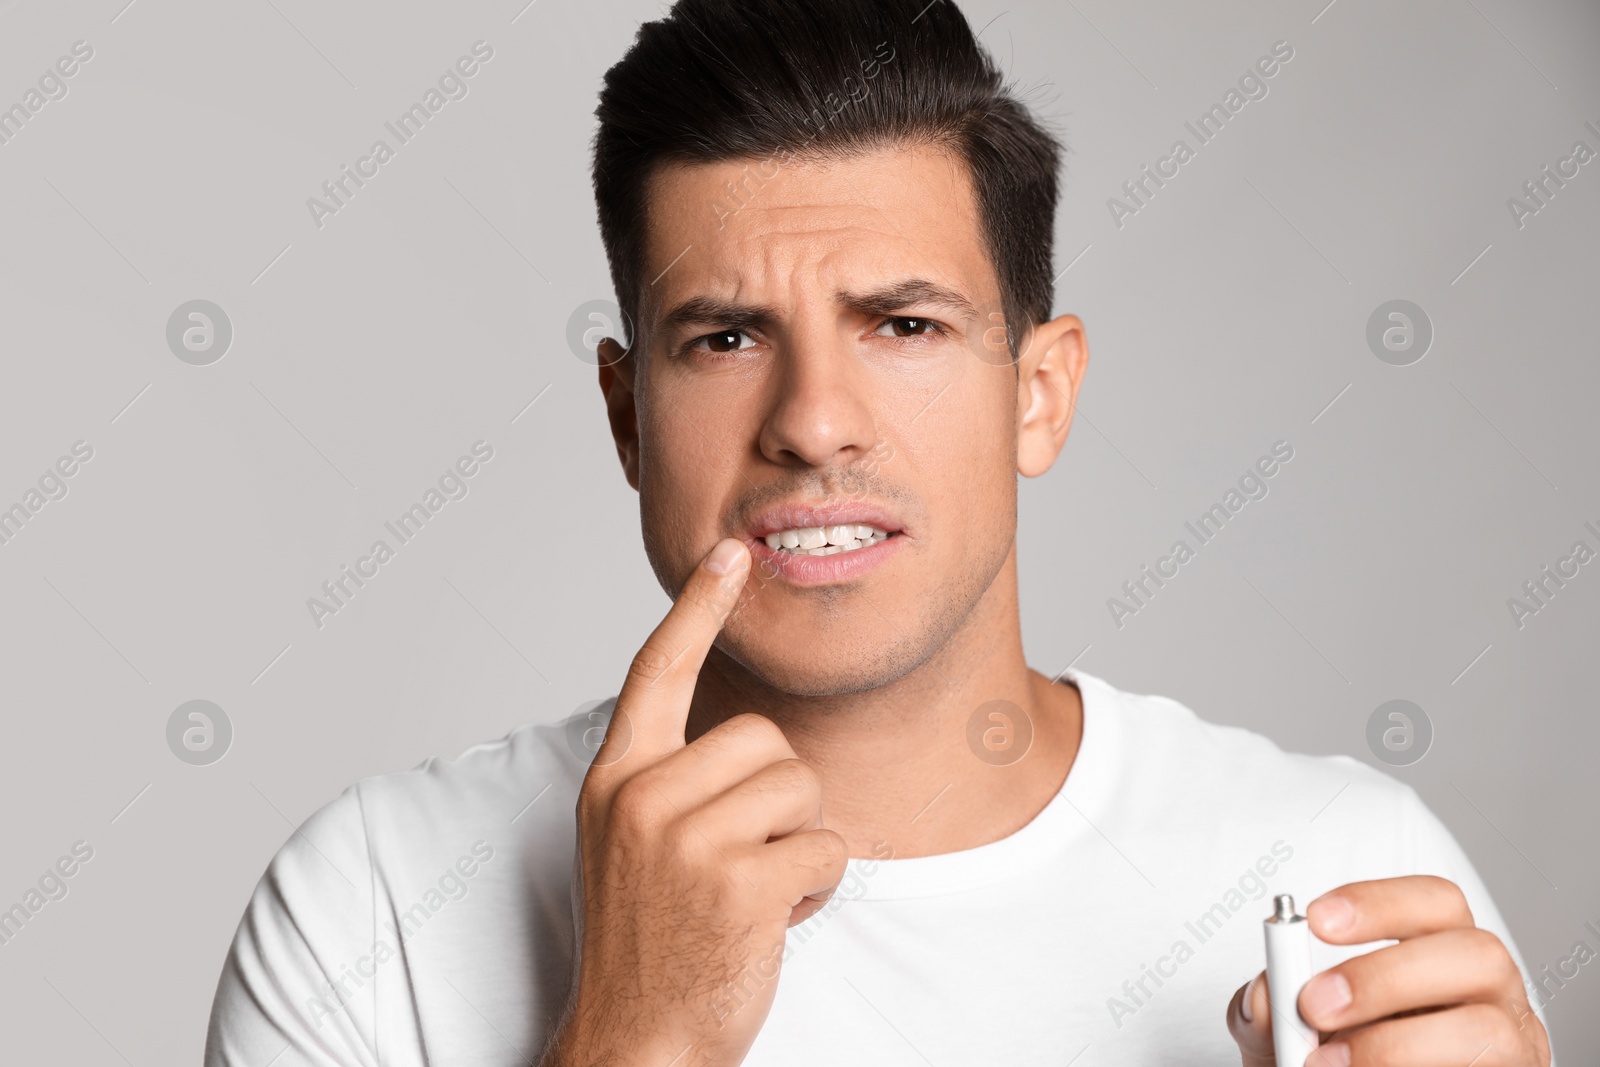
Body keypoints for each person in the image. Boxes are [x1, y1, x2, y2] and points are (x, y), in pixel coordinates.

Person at [204, 1, 1553, 1064]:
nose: (814, 424)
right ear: (628, 416)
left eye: (903, 326)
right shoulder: (372, 905)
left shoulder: (1347, 879)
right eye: (726, 337)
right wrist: (634, 1046)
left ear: (1038, 391)